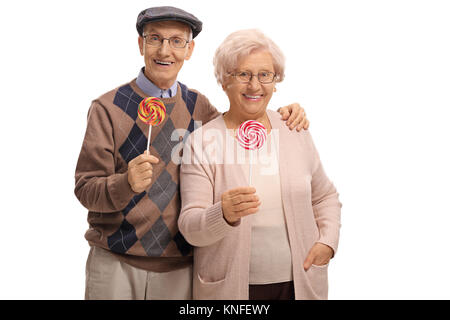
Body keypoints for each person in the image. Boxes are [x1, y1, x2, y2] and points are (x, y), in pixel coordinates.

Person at [74, 7, 309, 300]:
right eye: (155, 39)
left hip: (180, 265)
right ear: (140, 44)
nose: (165, 50)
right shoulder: (107, 108)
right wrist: (125, 183)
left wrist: (285, 113)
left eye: (176, 41)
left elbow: (238, 121)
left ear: (190, 49)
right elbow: (85, 189)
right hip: (115, 260)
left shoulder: (199, 107)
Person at [178, 29, 342, 300]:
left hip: (300, 281)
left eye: (265, 75)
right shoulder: (202, 141)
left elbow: (325, 196)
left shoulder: (293, 129)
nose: (255, 86)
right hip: (231, 288)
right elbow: (189, 226)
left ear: (275, 81)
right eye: (243, 74)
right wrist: (223, 214)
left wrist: (327, 242)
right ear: (223, 81)